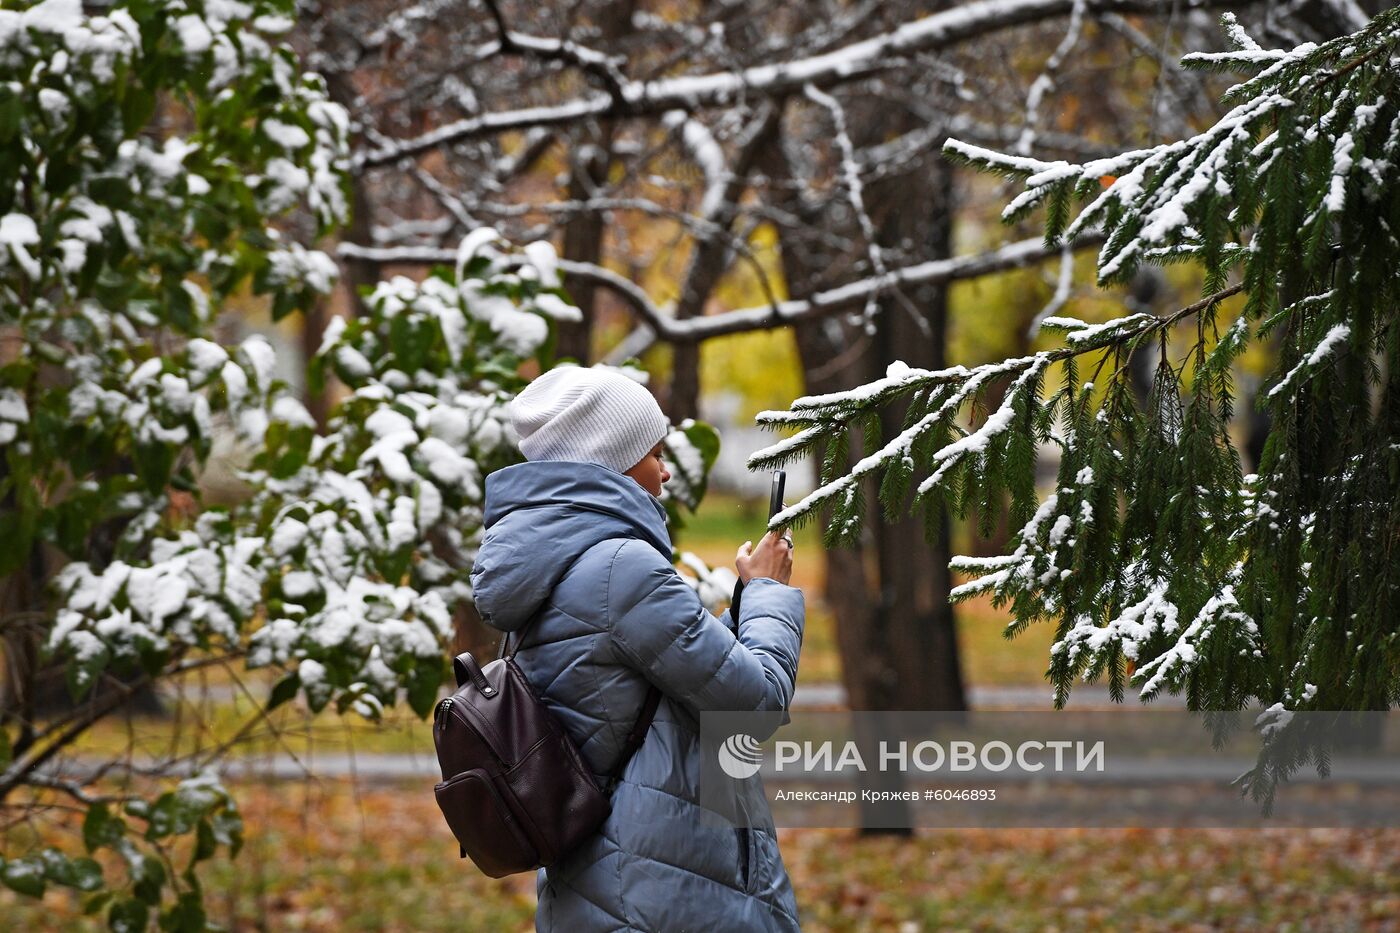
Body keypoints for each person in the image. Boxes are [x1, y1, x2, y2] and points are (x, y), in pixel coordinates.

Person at [469, 364, 805, 932]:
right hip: (667, 890)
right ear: (613, 463)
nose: (667, 472)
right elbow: (753, 704)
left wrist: (744, 599)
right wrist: (771, 594)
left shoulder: (555, 562)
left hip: (604, 880)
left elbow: (650, 688)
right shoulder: (621, 568)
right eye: (654, 454)